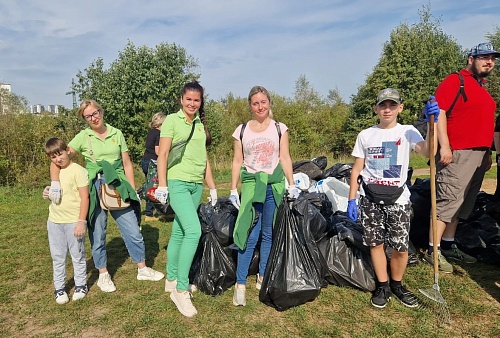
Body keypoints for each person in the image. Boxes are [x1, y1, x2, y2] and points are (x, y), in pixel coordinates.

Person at [50, 99, 164, 293]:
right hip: (94, 187)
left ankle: (142, 268)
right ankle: (103, 274)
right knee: (97, 233)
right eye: (88, 116)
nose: (93, 118)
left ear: (101, 112)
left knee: (133, 230)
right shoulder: (83, 136)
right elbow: (58, 158)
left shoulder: (116, 133)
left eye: (95, 113)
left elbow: (126, 163)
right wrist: (55, 184)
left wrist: (132, 189)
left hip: (118, 185)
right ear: (84, 119)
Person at [347, 88, 437, 309]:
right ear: (376, 108)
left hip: (398, 199)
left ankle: (397, 284)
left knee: (400, 247)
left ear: (400, 108)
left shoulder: (408, 132)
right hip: (370, 198)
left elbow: (428, 152)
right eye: (383, 105)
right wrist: (351, 199)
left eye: (392, 105)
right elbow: (357, 169)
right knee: (376, 244)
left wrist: (432, 126)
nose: (387, 109)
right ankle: (383, 285)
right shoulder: (365, 135)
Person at [423, 42, 499, 273]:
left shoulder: (482, 88)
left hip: (478, 154)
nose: (489, 62)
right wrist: (444, 146)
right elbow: (440, 112)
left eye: (493, 58)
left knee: (461, 204)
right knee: (447, 201)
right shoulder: (455, 81)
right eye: (484, 57)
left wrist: (487, 153)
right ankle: (432, 251)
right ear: (470, 59)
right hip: (457, 152)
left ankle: (448, 245)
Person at [229, 85, 299, 307]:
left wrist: (292, 183)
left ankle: (262, 275)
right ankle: (240, 283)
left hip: (273, 186)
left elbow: (285, 157)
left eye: (263, 102)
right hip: (251, 186)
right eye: (255, 103)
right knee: (248, 233)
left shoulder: (280, 128)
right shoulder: (241, 130)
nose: (260, 107)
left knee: (268, 232)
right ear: (250, 106)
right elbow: (237, 161)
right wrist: (232, 188)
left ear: (269, 103)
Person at [154, 81, 217, 318]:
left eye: (197, 100)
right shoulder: (171, 120)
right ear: (181, 99)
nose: (192, 103)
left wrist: (211, 187)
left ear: (201, 102)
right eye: (189, 99)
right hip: (178, 182)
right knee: (193, 231)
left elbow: (204, 160)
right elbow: (163, 154)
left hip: (195, 185)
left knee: (180, 232)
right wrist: (162, 184)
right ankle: (181, 289)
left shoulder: (200, 124)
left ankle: (171, 279)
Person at [43, 137, 90, 304]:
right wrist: (48, 193)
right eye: (53, 157)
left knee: (77, 255)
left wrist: (81, 222)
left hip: (73, 221)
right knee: (58, 257)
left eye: (60, 154)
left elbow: (85, 198)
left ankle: (80, 285)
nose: (58, 159)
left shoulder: (79, 171)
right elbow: (57, 194)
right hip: (54, 221)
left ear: (68, 151)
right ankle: (59, 288)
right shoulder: (55, 170)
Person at [141, 112, 166, 221]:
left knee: (150, 185)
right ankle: (149, 214)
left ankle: (159, 211)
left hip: (145, 160)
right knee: (154, 188)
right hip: (153, 162)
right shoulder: (159, 134)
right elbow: (157, 150)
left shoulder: (151, 132)